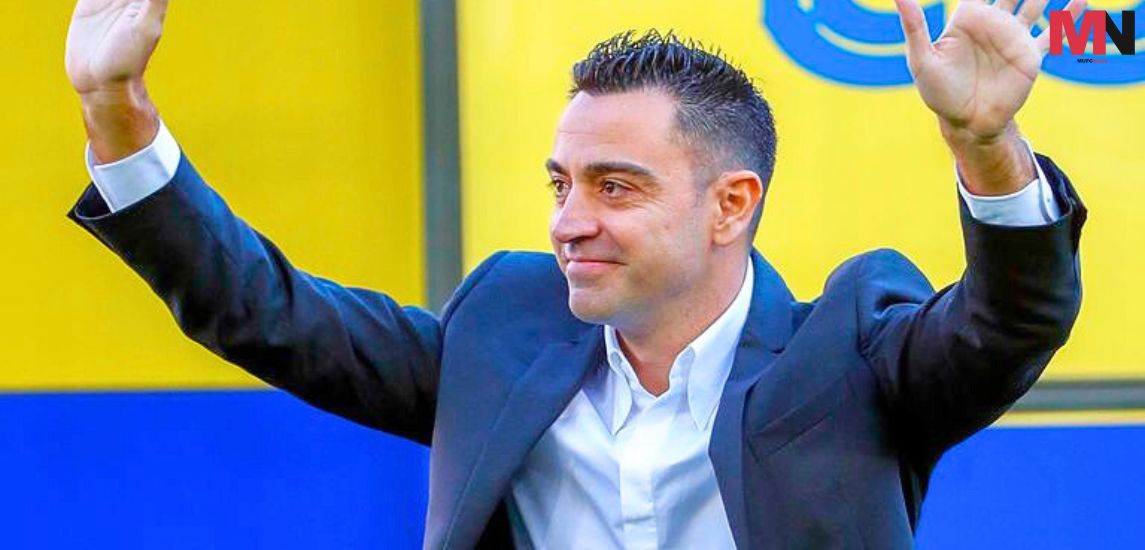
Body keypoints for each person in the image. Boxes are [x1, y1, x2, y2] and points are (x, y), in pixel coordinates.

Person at [64, 0, 1087, 547]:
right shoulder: (503, 329)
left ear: (730, 205)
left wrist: (982, 145)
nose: (568, 221)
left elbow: (1008, 322)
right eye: (560, 183)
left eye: (614, 187)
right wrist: (117, 112)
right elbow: (266, 312)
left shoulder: (849, 350)